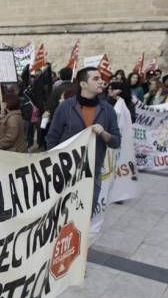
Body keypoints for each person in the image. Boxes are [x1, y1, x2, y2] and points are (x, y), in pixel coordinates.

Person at [46, 67, 121, 211]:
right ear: (83, 84)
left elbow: (116, 142)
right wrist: (54, 164)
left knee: (87, 214)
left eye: (101, 78)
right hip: (66, 171)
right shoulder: (66, 107)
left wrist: (104, 133)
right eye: (96, 79)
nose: (101, 82)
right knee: (62, 212)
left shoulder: (108, 110)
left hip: (93, 172)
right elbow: (52, 137)